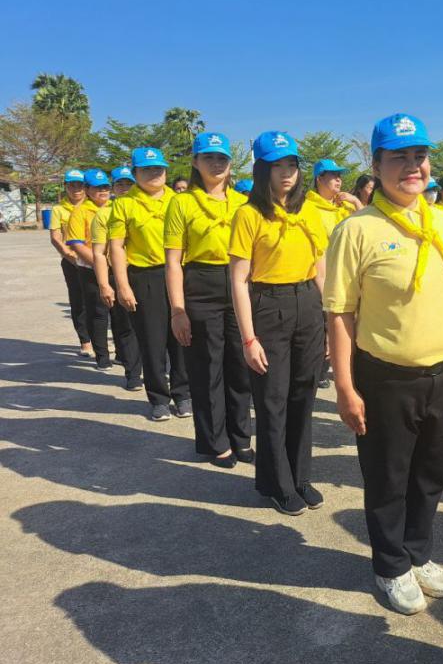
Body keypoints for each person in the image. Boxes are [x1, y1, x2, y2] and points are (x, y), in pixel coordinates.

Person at [325, 113, 443, 615]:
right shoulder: (356, 230)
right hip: (386, 376)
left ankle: (418, 553)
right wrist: (345, 386)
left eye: (419, 156)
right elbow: (340, 313)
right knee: (388, 477)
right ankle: (390, 565)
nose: (413, 166)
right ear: (377, 165)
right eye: (399, 157)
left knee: (431, 474)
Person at [229, 130, 328, 515]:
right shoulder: (249, 214)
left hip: (308, 303)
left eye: (292, 164)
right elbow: (239, 279)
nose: (286, 172)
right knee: (273, 400)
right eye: (277, 165)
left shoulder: (310, 211)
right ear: (262, 170)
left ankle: (300, 477)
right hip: (268, 306)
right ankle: (276, 483)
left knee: (304, 395)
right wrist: (248, 338)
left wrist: (328, 319)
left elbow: (320, 268)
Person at [164, 132, 253, 468]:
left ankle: (241, 437)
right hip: (201, 283)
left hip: (240, 282)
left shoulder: (243, 203)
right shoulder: (182, 203)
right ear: (196, 162)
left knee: (241, 366)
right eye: (209, 157)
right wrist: (178, 310)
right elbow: (173, 261)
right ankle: (216, 442)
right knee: (208, 367)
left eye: (222, 158)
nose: (216, 164)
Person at [108, 147, 191, 422]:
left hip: (180, 273)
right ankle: (158, 398)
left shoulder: (180, 200)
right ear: (135, 173)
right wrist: (122, 285)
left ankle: (183, 393)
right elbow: (117, 247)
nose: (154, 173)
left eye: (158, 168)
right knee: (152, 340)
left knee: (183, 338)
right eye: (147, 169)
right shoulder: (124, 204)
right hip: (145, 277)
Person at [302, 158, 363, 389]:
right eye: (333, 175)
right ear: (319, 179)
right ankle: (318, 372)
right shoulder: (309, 207)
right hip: (321, 276)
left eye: (340, 175)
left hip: (348, 277)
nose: (338, 180)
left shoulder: (344, 206)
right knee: (324, 328)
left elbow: (366, 227)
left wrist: (355, 201)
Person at [90, 166, 142, 390]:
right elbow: (99, 254)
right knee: (125, 326)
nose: (124, 187)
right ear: (113, 187)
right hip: (118, 274)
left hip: (145, 272)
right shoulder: (104, 214)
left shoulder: (144, 208)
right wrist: (104, 284)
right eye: (120, 184)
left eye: (129, 183)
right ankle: (133, 374)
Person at [65, 169, 114, 371]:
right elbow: (76, 243)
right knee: (98, 313)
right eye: (97, 187)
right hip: (90, 268)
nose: (102, 191)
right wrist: (99, 264)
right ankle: (102, 356)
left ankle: (123, 353)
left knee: (121, 315)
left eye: (105, 187)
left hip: (118, 267)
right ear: (87, 189)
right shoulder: (80, 212)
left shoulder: (117, 207)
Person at [49, 169, 92, 357]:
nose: (76, 189)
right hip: (72, 262)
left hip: (96, 260)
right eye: (71, 185)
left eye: (79, 185)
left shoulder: (94, 205)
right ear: (65, 187)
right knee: (79, 301)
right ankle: (85, 341)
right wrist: (70, 256)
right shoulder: (59, 209)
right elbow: (55, 238)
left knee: (100, 302)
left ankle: (101, 340)